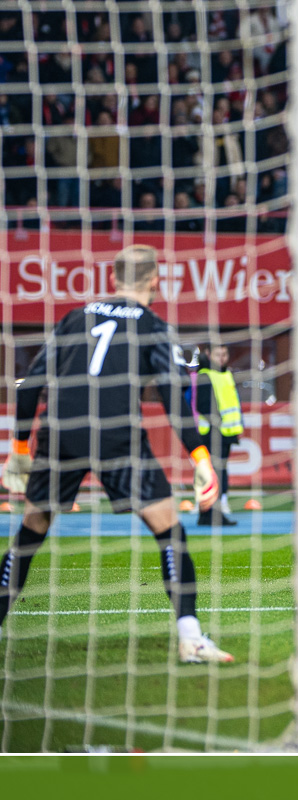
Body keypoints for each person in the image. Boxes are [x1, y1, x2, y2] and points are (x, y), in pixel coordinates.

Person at [0, 245, 231, 663]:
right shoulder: (153, 325)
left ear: (113, 278)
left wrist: (18, 448)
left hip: (61, 432)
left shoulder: (76, 317)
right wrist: (199, 456)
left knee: (30, 533)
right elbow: (172, 395)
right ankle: (191, 638)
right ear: (155, 280)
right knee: (169, 531)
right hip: (116, 434)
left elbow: (30, 385)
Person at [191, 343, 243, 527]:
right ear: (207, 354)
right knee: (213, 472)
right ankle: (210, 511)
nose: (222, 358)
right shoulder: (205, 375)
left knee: (219, 471)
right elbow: (203, 405)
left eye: (224, 354)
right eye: (217, 354)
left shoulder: (226, 374)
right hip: (212, 433)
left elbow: (232, 402)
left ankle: (209, 512)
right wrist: (217, 423)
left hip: (226, 432)